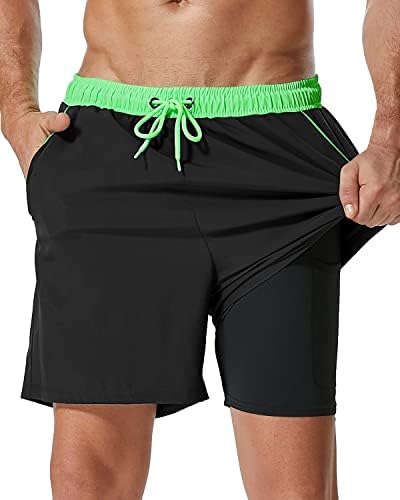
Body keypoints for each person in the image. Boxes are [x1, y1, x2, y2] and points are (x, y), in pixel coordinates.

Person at [1, 1, 399, 499]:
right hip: (108, 151)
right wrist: (16, 113)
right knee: (87, 485)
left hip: (272, 152)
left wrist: (391, 134)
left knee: (297, 491)